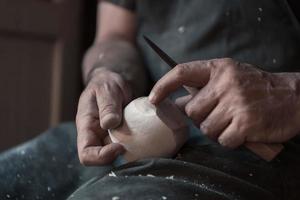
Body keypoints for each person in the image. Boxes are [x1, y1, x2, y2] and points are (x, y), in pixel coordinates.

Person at [1, 0, 300, 199]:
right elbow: (114, 35)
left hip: (266, 140)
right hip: (134, 130)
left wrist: (290, 92)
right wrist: (106, 73)